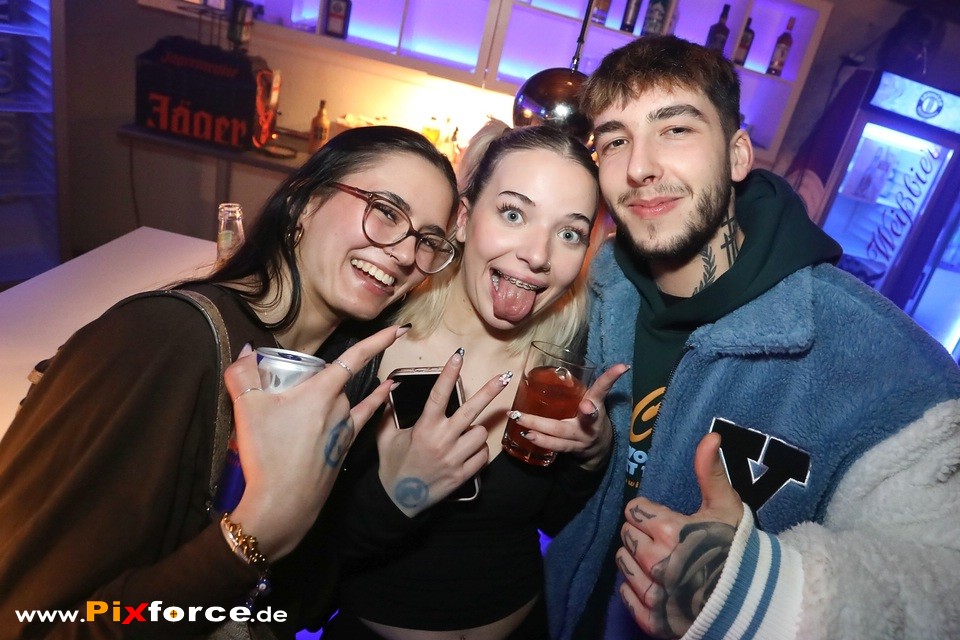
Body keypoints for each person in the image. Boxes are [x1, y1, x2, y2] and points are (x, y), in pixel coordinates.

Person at [544, 35, 960, 640]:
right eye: (615, 141)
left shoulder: (884, 364)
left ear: (738, 156)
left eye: (676, 129)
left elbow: (944, 585)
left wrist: (751, 590)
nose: (639, 167)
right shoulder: (594, 287)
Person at [0, 125, 470, 639]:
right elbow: (36, 621)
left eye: (428, 241)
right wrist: (246, 540)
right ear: (306, 202)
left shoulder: (332, 381)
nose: (405, 254)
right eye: (386, 211)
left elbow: (296, 599)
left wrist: (395, 497)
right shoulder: (164, 340)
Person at [322, 123, 629, 639]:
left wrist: (591, 455)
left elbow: (555, 521)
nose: (538, 255)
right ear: (463, 219)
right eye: (513, 214)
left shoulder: (561, 367)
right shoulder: (368, 344)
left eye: (569, 233)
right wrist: (396, 494)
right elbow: (300, 558)